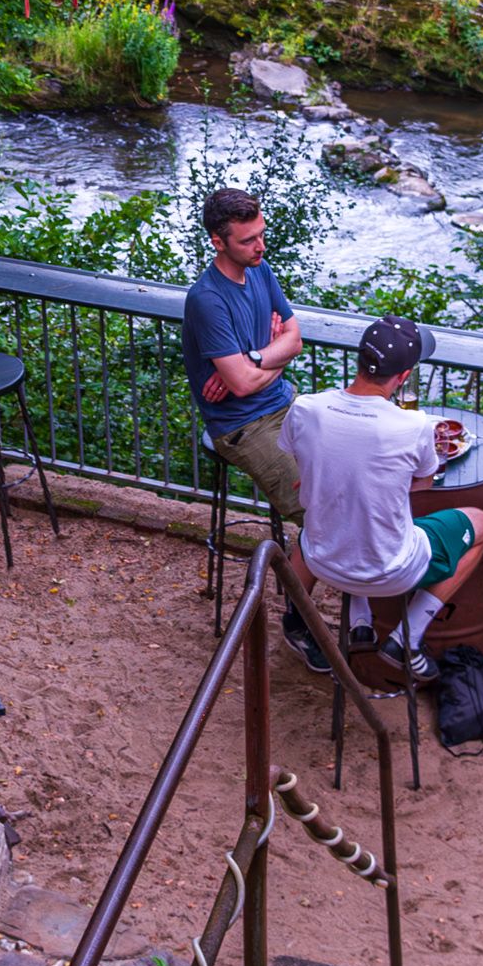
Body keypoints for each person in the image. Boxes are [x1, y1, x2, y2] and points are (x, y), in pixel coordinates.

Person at [284, 317, 483, 683]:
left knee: (317, 528)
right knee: (481, 523)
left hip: (325, 562)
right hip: (393, 571)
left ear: (360, 359)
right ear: (403, 376)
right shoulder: (413, 427)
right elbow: (423, 482)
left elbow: (302, 460)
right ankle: (407, 638)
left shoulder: (306, 408)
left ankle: (326, 621)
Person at [182, 187, 326, 670]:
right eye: (248, 241)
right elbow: (240, 387)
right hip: (240, 425)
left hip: (286, 404)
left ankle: (358, 601)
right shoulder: (206, 300)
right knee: (319, 512)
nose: (261, 247)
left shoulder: (260, 270)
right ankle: (298, 621)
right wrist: (262, 361)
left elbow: (295, 338)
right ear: (218, 242)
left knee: (352, 475)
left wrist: (260, 360)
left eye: (261, 235)